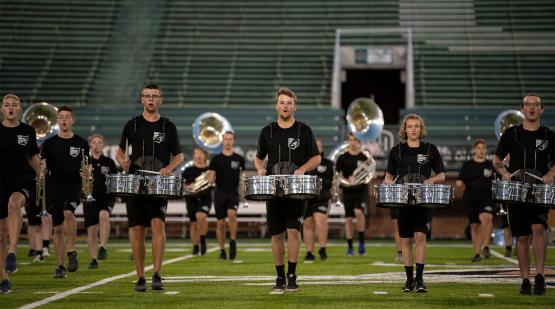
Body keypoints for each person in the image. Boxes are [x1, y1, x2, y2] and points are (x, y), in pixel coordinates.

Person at [116, 84, 184, 292]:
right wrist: (123, 161)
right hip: (136, 183)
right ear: (142, 100)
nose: (151, 99)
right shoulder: (132, 125)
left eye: (155, 96)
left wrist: (169, 167)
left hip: (158, 185)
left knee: (157, 225)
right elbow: (120, 151)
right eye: (147, 96)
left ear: (160, 100)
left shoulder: (168, 126)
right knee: (137, 229)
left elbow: (179, 155)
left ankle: (156, 273)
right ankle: (140, 277)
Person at [255, 87, 320, 292]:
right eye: (282, 102)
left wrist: (302, 168)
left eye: (289, 103)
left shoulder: (304, 130)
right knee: (276, 235)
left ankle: (292, 275)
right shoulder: (267, 131)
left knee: (293, 231)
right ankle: (279, 276)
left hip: (297, 191)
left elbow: (317, 158)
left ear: (294, 106)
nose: (285, 106)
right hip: (274, 190)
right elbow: (259, 158)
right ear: (277, 105)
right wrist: (260, 168)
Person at [493, 93, 554, 295]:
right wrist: (504, 173)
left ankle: (539, 276)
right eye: (528, 104)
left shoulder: (549, 135)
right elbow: (496, 159)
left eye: (536, 105)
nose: (532, 108)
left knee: (538, 228)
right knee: (521, 236)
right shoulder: (511, 134)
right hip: (517, 190)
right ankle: (525, 280)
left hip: (539, 190)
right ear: (523, 109)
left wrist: (550, 175)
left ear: (541, 109)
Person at [383, 114, 446, 293]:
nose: (413, 129)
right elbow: (388, 177)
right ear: (404, 129)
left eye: (416, 126)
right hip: (403, 201)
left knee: (420, 237)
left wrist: (430, 180)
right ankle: (409, 280)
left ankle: (419, 279)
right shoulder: (396, 151)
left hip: (424, 200)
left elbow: (441, 174)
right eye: (410, 126)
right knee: (406, 239)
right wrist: (388, 184)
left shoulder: (430, 149)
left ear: (421, 129)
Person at [40, 105, 89, 278]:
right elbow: (44, 168)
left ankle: (72, 252)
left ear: (72, 120)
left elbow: (86, 166)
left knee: (69, 212)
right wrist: (42, 170)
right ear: (57, 120)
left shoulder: (82, 143)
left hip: (74, 185)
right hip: (54, 187)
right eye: (61, 117)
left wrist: (87, 174)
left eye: (67, 117)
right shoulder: (49, 144)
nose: (64, 120)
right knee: (58, 228)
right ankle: (60, 266)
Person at [0, 94, 41, 293]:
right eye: (7, 105)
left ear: (19, 109)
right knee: (0, 234)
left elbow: (33, 156)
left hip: (23, 179)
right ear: (2, 109)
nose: (10, 108)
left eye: (14, 105)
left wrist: (40, 170)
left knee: (13, 204)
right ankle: (4, 278)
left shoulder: (28, 130)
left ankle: (12, 252)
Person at [207, 131, 245, 260]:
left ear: (233, 141)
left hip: (232, 192)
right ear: (222, 140)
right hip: (220, 193)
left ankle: (233, 241)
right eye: (226, 139)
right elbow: (210, 179)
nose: (228, 141)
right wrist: (209, 177)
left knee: (232, 214)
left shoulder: (239, 159)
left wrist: (243, 192)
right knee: (220, 223)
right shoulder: (216, 159)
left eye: (230, 139)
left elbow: (242, 177)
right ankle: (222, 250)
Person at [456, 139, 495, 262]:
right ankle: (477, 253)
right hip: (471, 198)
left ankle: (486, 246)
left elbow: (499, 179)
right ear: (474, 150)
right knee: (474, 226)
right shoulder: (467, 165)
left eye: (483, 148)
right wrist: (459, 184)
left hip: (487, 198)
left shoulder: (490, 165)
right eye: (479, 148)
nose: (481, 150)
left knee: (486, 218)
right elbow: (460, 180)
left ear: (486, 150)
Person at [83, 133, 117, 269]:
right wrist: (85, 174)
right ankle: (93, 259)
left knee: (104, 216)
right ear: (90, 145)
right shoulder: (86, 162)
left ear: (103, 146)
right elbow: (81, 183)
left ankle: (103, 246)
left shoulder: (109, 162)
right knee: (91, 230)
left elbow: (115, 180)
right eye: (94, 143)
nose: (96, 145)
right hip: (90, 197)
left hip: (106, 197)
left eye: (99, 143)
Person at [335, 134, 370, 256]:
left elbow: (370, 172)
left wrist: (363, 175)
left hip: (360, 189)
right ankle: (350, 247)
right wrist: (346, 179)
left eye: (355, 140)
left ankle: (361, 242)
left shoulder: (364, 156)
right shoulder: (343, 157)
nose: (353, 142)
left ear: (359, 141)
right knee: (349, 218)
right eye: (350, 140)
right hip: (347, 190)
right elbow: (337, 174)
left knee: (359, 212)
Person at [303, 138, 333, 261]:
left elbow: (329, 182)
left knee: (320, 219)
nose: (317, 147)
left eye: (319, 146)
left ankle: (322, 248)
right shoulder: (305, 163)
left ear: (322, 149)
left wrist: (316, 180)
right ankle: (309, 252)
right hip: (307, 197)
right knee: (307, 223)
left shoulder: (328, 163)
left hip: (322, 197)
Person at [183, 147, 212, 256]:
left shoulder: (209, 170)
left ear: (205, 155)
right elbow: (183, 186)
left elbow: (212, 184)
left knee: (201, 216)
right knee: (193, 224)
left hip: (205, 198)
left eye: (200, 153)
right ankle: (195, 246)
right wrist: (188, 187)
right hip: (191, 199)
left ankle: (203, 239)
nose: (198, 156)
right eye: (196, 153)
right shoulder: (188, 170)